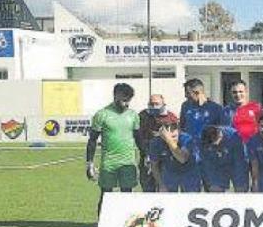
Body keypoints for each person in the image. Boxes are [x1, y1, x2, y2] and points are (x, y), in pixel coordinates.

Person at [86, 83, 142, 214]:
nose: (126, 104)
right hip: (109, 162)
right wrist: (89, 163)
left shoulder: (133, 115)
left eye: (128, 100)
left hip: (128, 162)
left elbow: (138, 138)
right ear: (115, 95)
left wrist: (146, 156)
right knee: (106, 195)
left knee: (127, 195)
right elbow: (92, 140)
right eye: (123, 100)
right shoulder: (102, 114)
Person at [148, 115, 202, 193]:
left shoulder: (187, 139)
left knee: (191, 200)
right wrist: (161, 184)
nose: (171, 131)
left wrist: (168, 140)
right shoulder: (155, 143)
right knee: (167, 198)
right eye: (167, 128)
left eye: (174, 127)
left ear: (179, 128)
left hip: (189, 172)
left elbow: (182, 159)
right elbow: (154, 165)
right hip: (170, 172)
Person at [137, 94, 177, 192]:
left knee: (168, 188)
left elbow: (176, 136)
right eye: (151, 104)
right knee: (148, 188)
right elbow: (138, 137)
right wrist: (146, 152)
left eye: (157, 104)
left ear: (163, 104)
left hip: (166, 158)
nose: (154, 106)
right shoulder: (142, 116)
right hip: (147, 157)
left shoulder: (171, 117)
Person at [199, 126, 249, 192]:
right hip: (217, 164)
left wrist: (240, 183)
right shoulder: (205, 139)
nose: (212, 146)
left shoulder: (234, 136)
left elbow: (240, 163)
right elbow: (207, 164)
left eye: (213, 143)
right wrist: (209, 182)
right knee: (215, 189)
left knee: (241, 188)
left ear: (220, 136)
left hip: (235, 162)